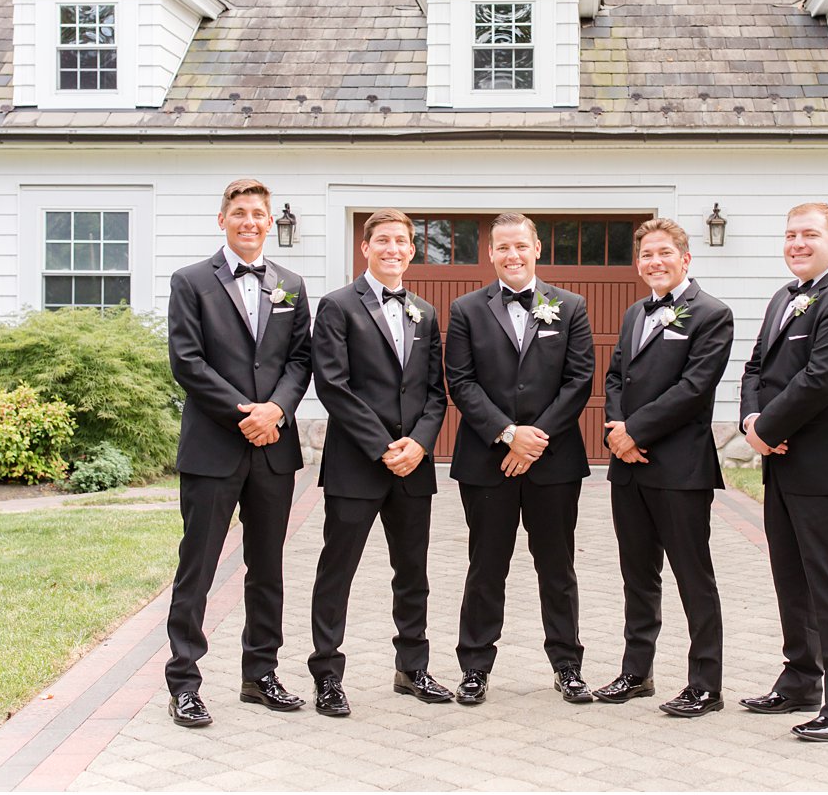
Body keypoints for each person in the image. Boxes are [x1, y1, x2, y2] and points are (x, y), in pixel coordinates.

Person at [164, 178, 313, 727]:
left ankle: (261, 674)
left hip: (273, 448)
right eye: (240, 212)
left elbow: (301, 360)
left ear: (270, 222)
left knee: (267, 567)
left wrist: (274, 411)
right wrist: (244, 413)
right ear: (222, 219)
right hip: (213, 448)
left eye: (259, 214)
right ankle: (184, 682)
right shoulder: (191, 281)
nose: (250, 221)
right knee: (197, 568)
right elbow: (188, 360)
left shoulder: (291, 284)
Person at [739, 201, 828, 743]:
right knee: (792, 579)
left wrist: (766, 429)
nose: (797, 244)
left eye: (809, 235)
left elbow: (822, 379)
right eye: (790, 235)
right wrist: (752, 419)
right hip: (784, 463)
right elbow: (756, 366)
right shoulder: (784, 297)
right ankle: (801, 679)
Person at [444, 213, 596, 705]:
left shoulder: (569, 306)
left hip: (554, 462)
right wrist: (508, 435)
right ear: (491, 253)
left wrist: (536, 438)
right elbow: (460, 381)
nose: (512, 255)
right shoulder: (466, 309)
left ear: (536, 249)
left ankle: (568, 665)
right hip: (487, 461)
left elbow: (580, 380)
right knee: (486, 566)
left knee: (557, 567)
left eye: (521, 246)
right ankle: (474, 666)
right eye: (502, 247)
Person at [307, 208, 451, 716]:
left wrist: (418, 444)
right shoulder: (337, 306)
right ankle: (327, 674)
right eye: (383, 240)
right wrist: (384, 445)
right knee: (337, 570)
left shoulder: (426, 312)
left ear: (412, 251)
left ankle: (412, 668)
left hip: (414, 464)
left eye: (402, 242)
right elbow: (334, 385)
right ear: (365, 248)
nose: (393, 249)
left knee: (413, 571)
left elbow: (437, 392)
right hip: (357, 463)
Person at [596, 217, 734, 717]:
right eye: (646, 255)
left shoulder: (712, 314)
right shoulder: (635, 313)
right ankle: (637, 672)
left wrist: (637, 431)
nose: (654, 262)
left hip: (679, 469)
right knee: (638, 574)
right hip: (629, 468)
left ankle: (706, 684)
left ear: (685, 257)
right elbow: (615, 376)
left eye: (663, 253)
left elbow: (694, 388)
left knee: (693, 577)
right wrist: (617, 431)